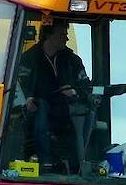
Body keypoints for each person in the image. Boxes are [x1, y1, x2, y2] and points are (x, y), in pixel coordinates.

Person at [16, 20, 93, 170]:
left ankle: (79, 165)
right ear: (48, 35)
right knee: (41, 106)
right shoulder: (29, 59)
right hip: (39, 110)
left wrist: (75, 91)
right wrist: (28, 99)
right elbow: (19, 86)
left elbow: (86, 85)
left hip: (67, 108)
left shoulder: (72, 60)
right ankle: (45, 162)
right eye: (62, 34)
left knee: (89, 114)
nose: (66, 38)